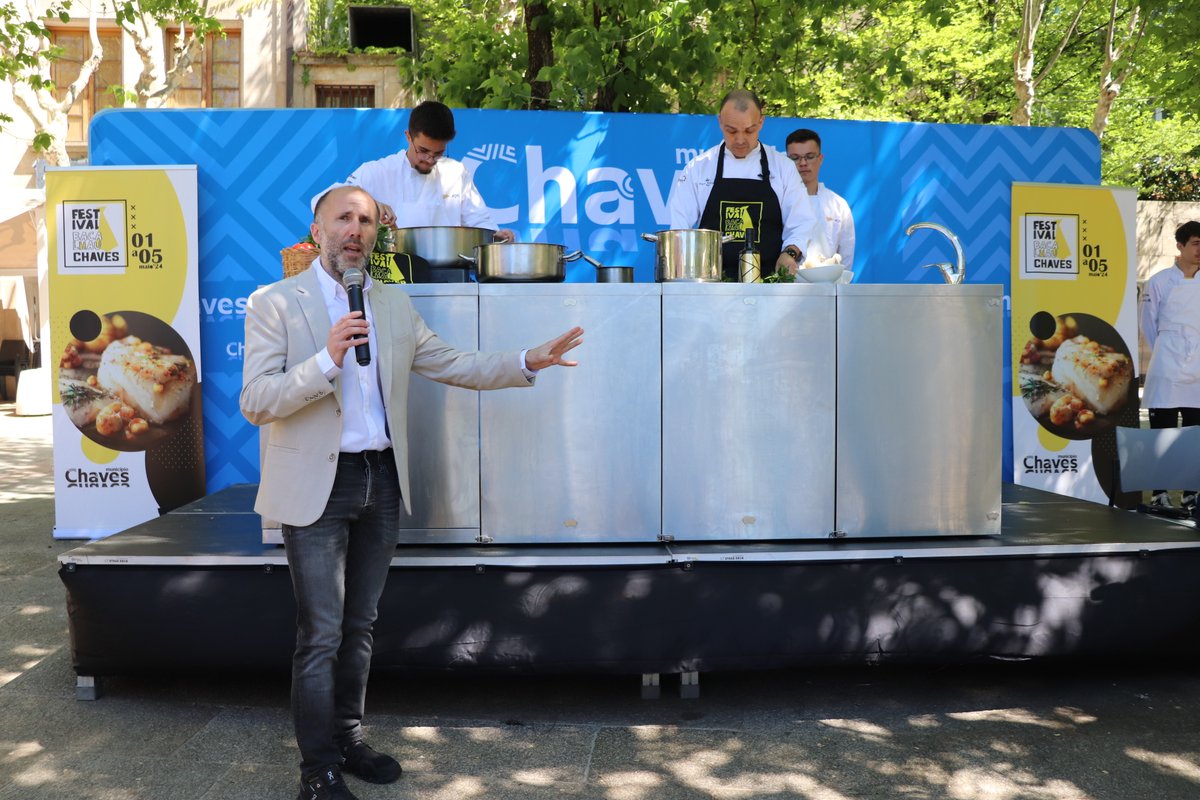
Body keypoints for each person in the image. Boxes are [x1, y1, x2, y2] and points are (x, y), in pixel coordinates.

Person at [241, 185, 583, 800]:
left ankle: (347, 740)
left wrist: (527, 359)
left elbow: (453, 363)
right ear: (316, 229)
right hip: (316, 483)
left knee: (362, 624)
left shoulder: (392, 304)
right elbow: (256, 401)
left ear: (377, 235)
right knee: (321, 631)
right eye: (343, 219)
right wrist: (325, 360)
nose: (355, 230)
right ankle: (315, 769)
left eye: (366, 221)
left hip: (381, 479)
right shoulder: (274, 303)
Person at [315, 100, 516, 242]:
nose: (429, 159)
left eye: (438, 153)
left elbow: (479, 222)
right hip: (390, 274)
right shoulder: (379, 171)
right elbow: (321, 200)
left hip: (449, 273)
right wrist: (369, 204)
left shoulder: (456, 172)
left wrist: (495, 237)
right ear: (408, 137)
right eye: (423, 151)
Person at [667, 89, 814, 281]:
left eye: (749, 130)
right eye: (731, 130)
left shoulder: (783, 168)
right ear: (720, 121)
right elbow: (679, 231)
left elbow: (801, 223)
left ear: (761, 122)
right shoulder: (698, 168)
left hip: (770, 285)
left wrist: (790, 253)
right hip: (711, 287)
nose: (740, 140)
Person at [1140, 219, 1200, 511]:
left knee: (1194, 432)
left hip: (1199, 367)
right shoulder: (1159, 281)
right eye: (1196, 243)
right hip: (1166, 362)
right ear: (1180, 246)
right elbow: (1149, 324)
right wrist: (1166, 351)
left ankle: (1191, 493)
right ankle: (1158, 493)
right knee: (1161, 431)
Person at [784, 128, 856, 269]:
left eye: (809, 156)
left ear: (820, 159)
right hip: (785, 286)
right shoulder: (778, 201)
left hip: (827, 286)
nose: (803, 163)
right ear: (785, 161)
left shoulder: (838, 205)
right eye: (795, 158)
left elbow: (846, 257)